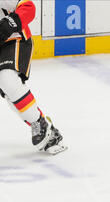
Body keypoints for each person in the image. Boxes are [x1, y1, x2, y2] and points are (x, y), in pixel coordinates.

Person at [0, 0, 66, 154]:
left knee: (7, 79)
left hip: (14, 40)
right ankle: (47, 130)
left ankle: (39, 124)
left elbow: (28, 7)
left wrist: (8, 24)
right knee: (9, 92)